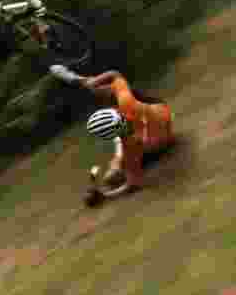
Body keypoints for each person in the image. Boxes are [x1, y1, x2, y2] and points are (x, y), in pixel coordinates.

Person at [50, 64, 176, 201]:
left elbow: (133, 184)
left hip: (157, 143)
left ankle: (83, 81)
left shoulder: (129, 146)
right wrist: (94, 82)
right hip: (162, 116)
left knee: (111, 175)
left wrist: (104, 195)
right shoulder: (128, 104)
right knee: (112, 89)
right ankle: (82, 80)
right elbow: (114, 75)